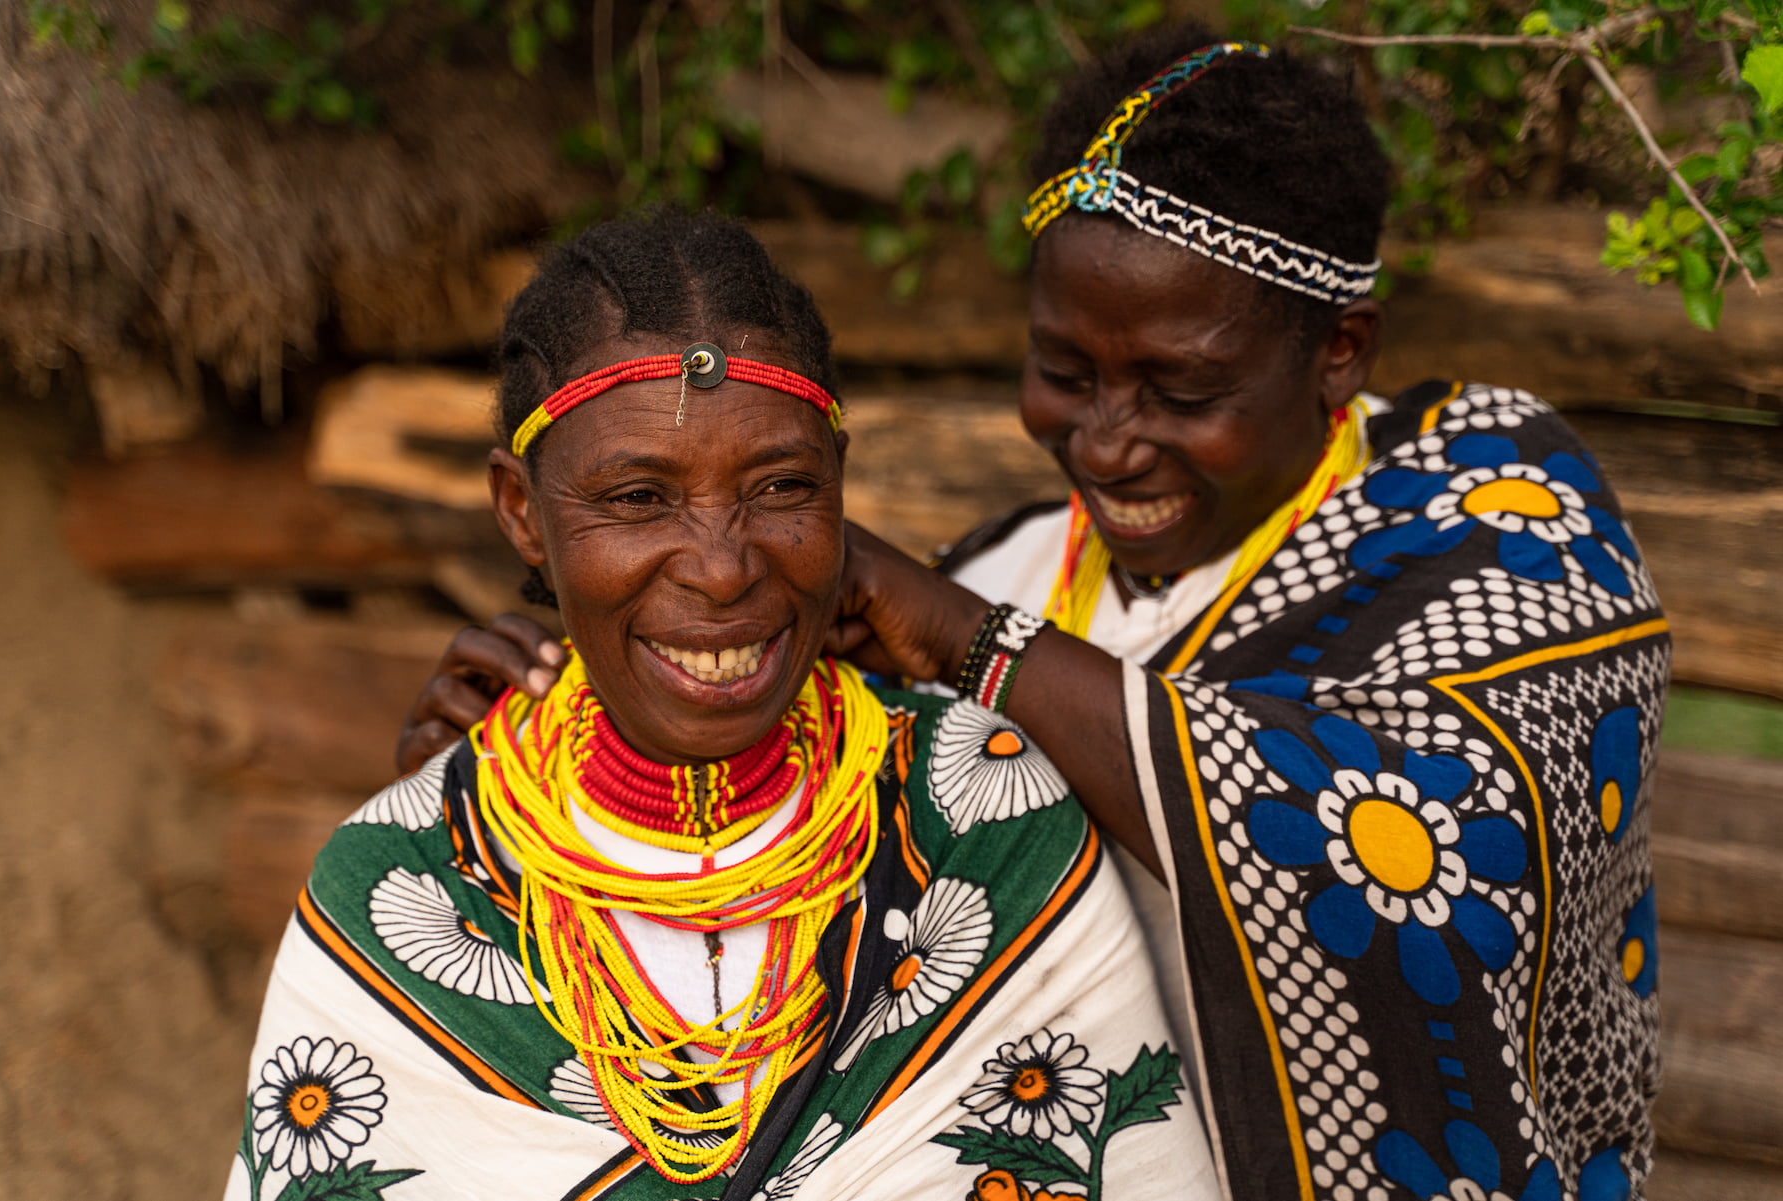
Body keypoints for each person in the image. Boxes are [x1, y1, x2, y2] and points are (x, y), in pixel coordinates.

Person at [402, 29, 1666, 1201]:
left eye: (1182, 387)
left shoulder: (1499, 527)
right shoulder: (1011, 565)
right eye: (1067, 372)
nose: (1108, 442)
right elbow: (799, 861)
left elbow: (1418, 866)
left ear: (1340, 349)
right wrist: (508, 794)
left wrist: (968, 641)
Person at [227, 211, 1215, 1201]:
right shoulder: (392, 885)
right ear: (523, 512)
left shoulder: (984, 816)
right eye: (638, 499)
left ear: (840, 485)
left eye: (780, 485)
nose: (721, 566)